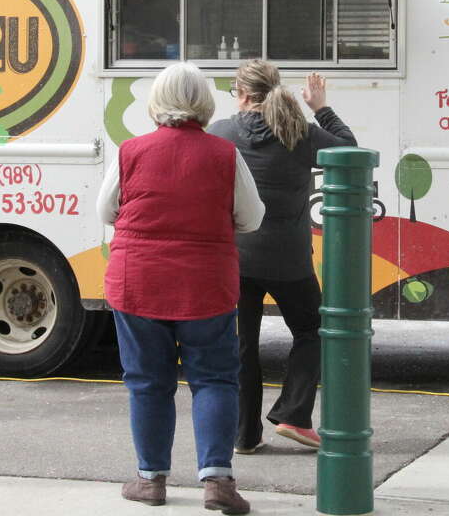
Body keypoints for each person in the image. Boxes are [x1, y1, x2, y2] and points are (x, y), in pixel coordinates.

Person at [96, 62, 265, 513]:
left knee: (148, 382)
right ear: (204, 104)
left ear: (156, 102)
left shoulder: (130, 151)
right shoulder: (224, 154)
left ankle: (150, 479)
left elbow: (106, 211)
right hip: (205, 281)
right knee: (213, 379)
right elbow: (252, 217)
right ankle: (218, 482)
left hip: (139, 279)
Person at [208, 59, 357, 454]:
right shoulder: (300, 132)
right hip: (289, 259)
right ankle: (293, 413)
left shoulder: (220, 133)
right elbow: (350, 151)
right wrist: (320, 108)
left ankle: (243, 436)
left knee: (242, 345)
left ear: (241, 94)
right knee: (313, 331)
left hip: (235, 258)